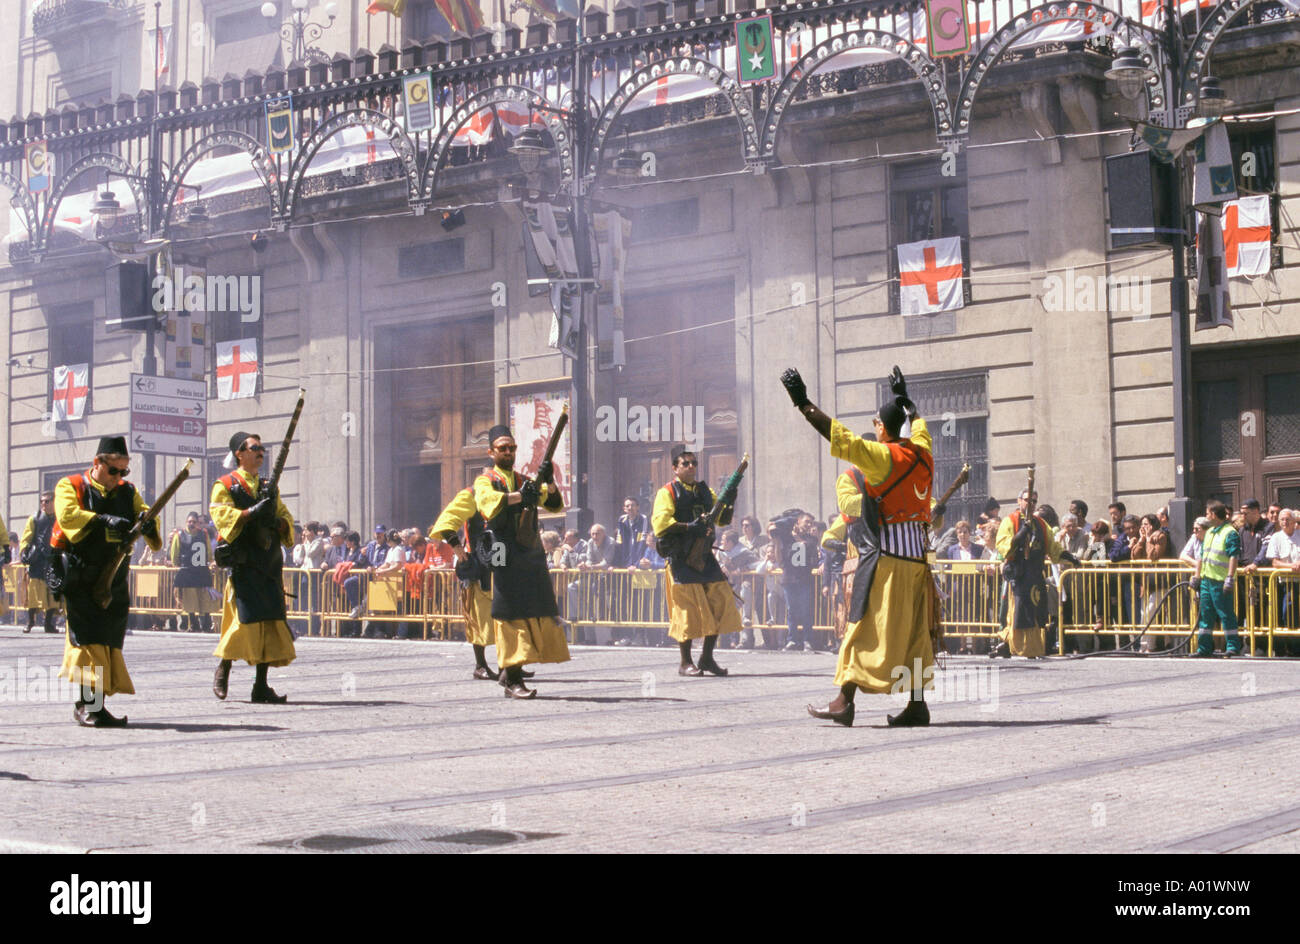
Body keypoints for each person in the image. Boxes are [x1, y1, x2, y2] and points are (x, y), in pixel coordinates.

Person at [784, 365, 936, 727]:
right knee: (916, 633)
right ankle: (916, 705)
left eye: (877, 424)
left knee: (860, 627)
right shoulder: (924, 454)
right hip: (917, 561)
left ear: (882, 428)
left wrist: (803, 403)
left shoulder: (884, 457)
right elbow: (919, 426)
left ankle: (843, 702)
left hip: (886, 560)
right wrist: (904, 398)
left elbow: (840, 437)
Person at [52, 436, 162, 727]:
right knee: (89, 643)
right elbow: (67, 515)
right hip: (83, 577)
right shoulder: (71, 485)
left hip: (114, 579)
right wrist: (104, 520)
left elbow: (145, 512)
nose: (118, 478)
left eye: (123, 472)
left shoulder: (128, 491)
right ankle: (90, 706)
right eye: (113, 470)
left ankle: (93, 705)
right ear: (97, 463)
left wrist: (148, 523)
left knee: (108, 642)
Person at [473, 424, 568, 699]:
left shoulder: (526, 478)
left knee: (531, 606)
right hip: (500, 547)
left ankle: (510, 670)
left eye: (511, 447)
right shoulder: (486, 479)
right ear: (491, 452)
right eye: (502, 448)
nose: (508, 452)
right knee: (508, 608)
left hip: (527, 549)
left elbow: (553, 505)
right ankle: (513, 678)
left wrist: (549, 481)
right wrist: (518, 497)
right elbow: (488, 503)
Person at [211, 432, 296, 704]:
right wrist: (250, 513)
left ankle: (260, 685)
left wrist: (277, 522)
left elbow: (285, 517)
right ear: (240, 452)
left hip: (267, 563)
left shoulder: (269, 486)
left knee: (269, 624)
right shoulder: (225, 484)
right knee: (243, 623)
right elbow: (222, 516)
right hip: (244, 563)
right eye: (255, 447)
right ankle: (224, 667)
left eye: (262, 448)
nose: (261, 452)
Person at [651, 444, 743, 677]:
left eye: (694, 463)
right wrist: (688, 527)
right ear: (675, 468)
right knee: (688, 611)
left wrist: (730, 499)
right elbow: (661, 524)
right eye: (686, 463)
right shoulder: (667, 492)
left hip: (703, 555)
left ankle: (707, 658)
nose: (691, 467)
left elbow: (722, 519)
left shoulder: (705, 491)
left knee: (720, 602)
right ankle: (685, 662)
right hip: (681, 557)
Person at [992, 488, 1077, 659]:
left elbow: (1053, 548)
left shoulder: (1041, 523)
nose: (1030, 504)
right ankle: (1011, 644)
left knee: (1037, 614)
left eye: (1034, 501)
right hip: (1019, 577)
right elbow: (1004, 547)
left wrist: (1070, 558)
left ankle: (1034, 648)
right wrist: (1021, 533)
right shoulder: (1010, 521)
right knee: (1017, 614)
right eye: (1027, 500)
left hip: (1036, 576)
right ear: (1019, 501)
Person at [430, 484, 499, 680]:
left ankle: (510, 665)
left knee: (507, 618)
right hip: (478, 566)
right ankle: (480, 665)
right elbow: (445, 524)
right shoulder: (472, 496)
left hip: (500, 560)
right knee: (478, 619)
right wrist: (458, 550)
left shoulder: (503, 496)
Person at [1192, 501, 1242, 657]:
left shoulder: (1230, 532)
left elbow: (1234, 556)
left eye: (1207, 513)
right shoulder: (1210, 532)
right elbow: (1201, 556)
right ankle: (1204, 648)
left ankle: (1233, 646)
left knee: (1225, 614)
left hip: (1221, 581)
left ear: (1213, 514)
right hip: (1207, 580)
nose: (1206, 516)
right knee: (1206, 614)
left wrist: (1229, 578)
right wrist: (1197, 576)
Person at [19, 492, 61, 634]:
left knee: (52, 594)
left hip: (53, 560)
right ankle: (30, 622)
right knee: (34, 594)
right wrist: (24, 551)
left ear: (54, 502)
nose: (44, 504)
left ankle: (49, 624)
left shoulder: (59, 519)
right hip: (38, 561)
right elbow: (26, 537)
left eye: (47, 501)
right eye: (42, 501)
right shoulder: (34, 519)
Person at [171, 511, 216, 633]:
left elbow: (208, 551)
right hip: (188, 571)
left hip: (202, 570)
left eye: (194, 522)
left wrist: (210, 560)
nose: (191, 524)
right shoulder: (179, 535)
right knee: (190, 600)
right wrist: (176, 563)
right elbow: (175, 553)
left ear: (197, 523)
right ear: (186, 522)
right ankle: (193, 624)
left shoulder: (204, 534)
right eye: (189, 521)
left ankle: (206, 624)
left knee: (204, 599)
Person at [614, 497, 650, 568]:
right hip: (625, 562)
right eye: (627, 506)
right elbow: (619, 542)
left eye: (633, 505)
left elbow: (641, 542)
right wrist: (615, 564)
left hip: (639, 563)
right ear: (624, 509)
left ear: (637, 507)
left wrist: (635, 565)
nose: (630, 508)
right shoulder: (621, 520)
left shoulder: (643, 519)